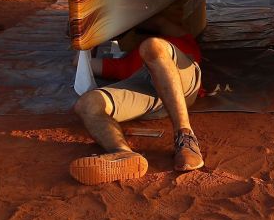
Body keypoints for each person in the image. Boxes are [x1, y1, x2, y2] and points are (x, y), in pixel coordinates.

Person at [70, 13, 204, 185]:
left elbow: (160, 21)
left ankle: (185, 137)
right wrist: (88, 36)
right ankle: (122, 153)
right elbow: (79, 63)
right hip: (149, 90)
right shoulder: (124, 64)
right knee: (86, 104)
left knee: (151, 47)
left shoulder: (176, 41)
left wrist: (122, 20)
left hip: (184, 81)